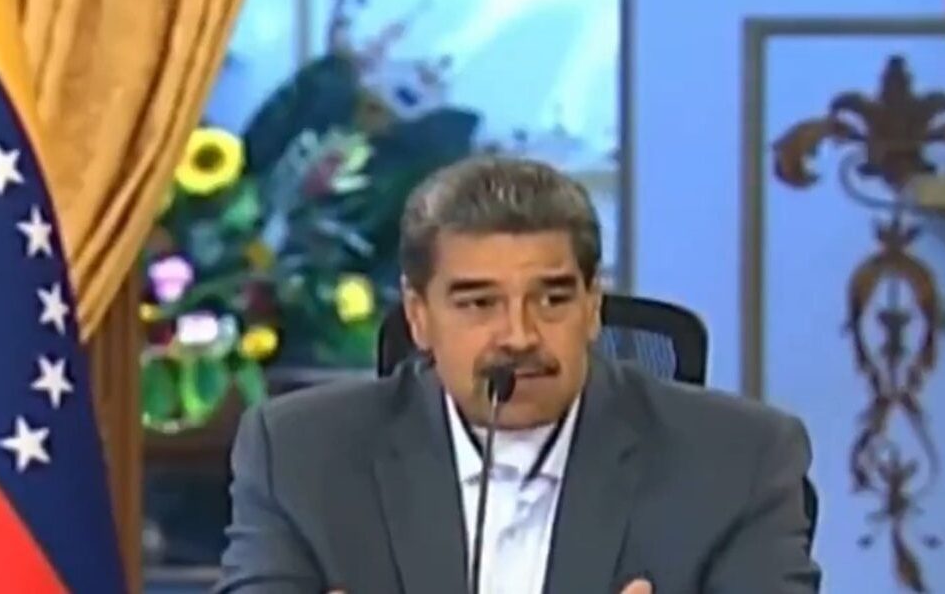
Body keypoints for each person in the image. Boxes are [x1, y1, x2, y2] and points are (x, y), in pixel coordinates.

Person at [216, 156, 821, 593]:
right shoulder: (298, 454)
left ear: (593, 305)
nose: (519, 335)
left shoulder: (739, 459)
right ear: (419, 316)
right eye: (479, 303)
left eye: (552, 299)